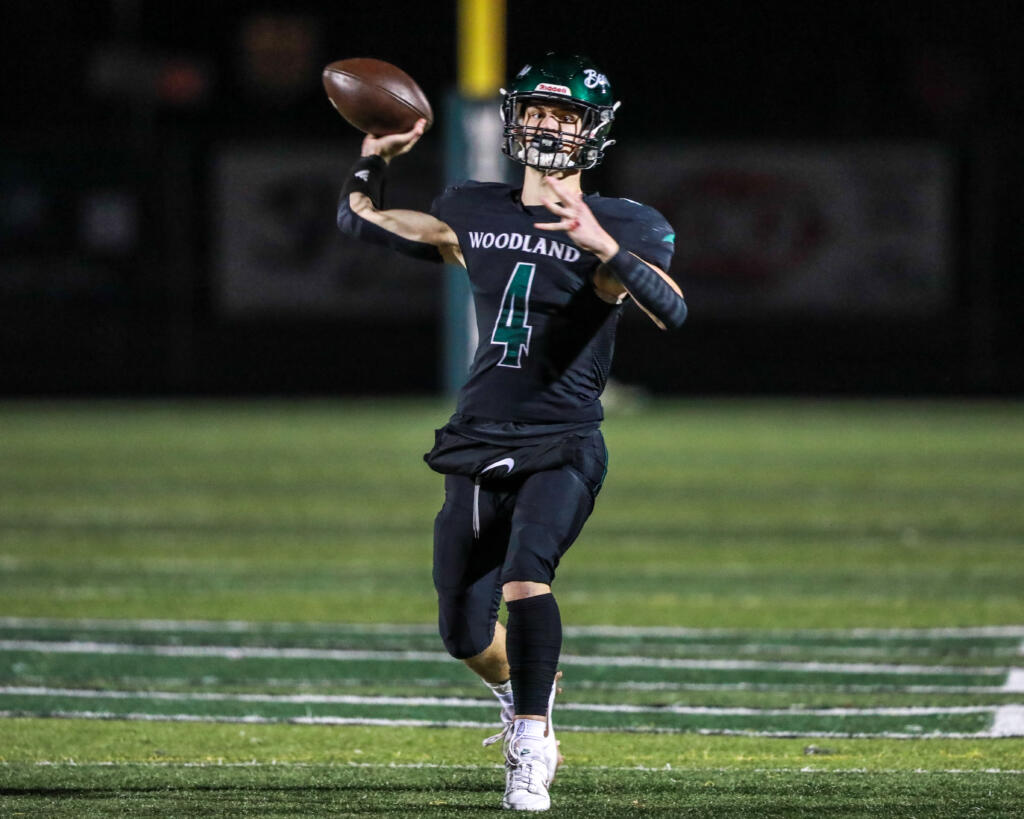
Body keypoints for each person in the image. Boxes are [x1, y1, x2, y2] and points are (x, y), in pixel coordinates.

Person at [336, 52, 686, 812]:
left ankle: (534, 741)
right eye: (538, 110)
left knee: (529, 574)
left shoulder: (629, 222)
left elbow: (673, 309)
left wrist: (605, 248)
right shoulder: (473, 206)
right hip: (479, 430)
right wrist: (373, 156)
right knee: (463, 629)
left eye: (566, 115)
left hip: (562, 437)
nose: (550, 126)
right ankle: (524, 684)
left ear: (595, 131)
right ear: (513, 118)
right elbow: (359, 223)